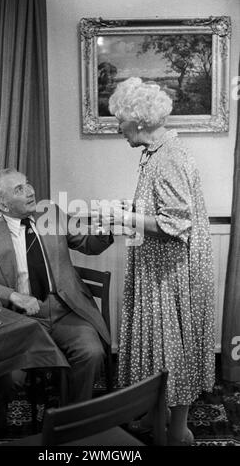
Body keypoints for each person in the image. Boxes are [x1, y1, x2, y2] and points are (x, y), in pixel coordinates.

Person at [0, 168, 113, 438]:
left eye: (27, 183)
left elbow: (88, 244)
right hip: (22, 320)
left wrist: (107, 224)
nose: (30, 191)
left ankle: (68, 423)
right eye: (19, 189)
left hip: (66, 311)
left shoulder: (49, 213)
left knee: (91, 352)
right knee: (8, 376)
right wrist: (13, 295)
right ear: (3, 204)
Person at [101, 77, 215, 446]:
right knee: (162, 347)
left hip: (170, 273)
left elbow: (173, 224)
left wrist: (122, 218)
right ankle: (158, 419)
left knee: (172, 349)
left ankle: (177, 432)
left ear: (137, 121)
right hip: (158, 268)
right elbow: (163, 210)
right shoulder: (155, 154)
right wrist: (131, 210)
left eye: (119, 120)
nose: (117, 128)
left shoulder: (168, 157)